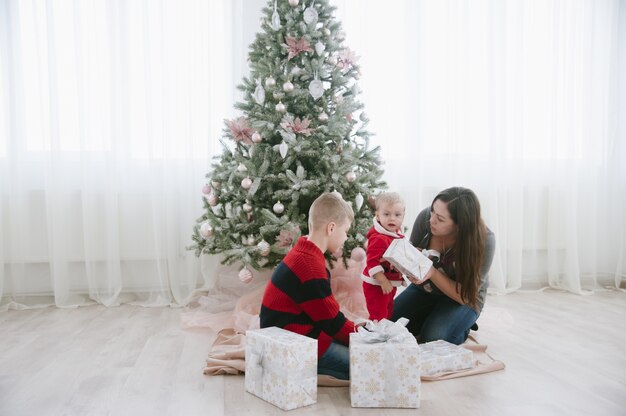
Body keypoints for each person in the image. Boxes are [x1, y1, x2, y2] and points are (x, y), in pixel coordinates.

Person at [259, 192, 357, 381]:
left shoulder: (305, 251)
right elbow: (332, 323)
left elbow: (325, 314)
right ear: (331, 228)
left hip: (294, 332)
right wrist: (366, 339)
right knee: (366, 363)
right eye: (345, 231)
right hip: (291, 343)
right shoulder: (308, 265)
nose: (346, 238)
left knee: (355, 349)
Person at [391, 187, 495, 345]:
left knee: (434, 338)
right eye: (432, 211)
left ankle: (462, 325)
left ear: (460, 225)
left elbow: (466, 296)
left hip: (462, 299)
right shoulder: (426, 219)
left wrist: (432, 271)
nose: (431, 219)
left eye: (440, 219)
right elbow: (414, 266)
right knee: (388, 324)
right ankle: (436, 317)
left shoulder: (484, 240)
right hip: (425, 290)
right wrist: (408, 263)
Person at [361, 192, 406, 321]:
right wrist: (383, 281)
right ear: (378, 216)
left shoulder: (397, 235)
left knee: (388, 310)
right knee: (379, 314)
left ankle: (384, 331)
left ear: (403, 216)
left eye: (397, 215)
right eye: (386, 214)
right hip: (377, 284)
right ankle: (377, 335)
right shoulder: (379, 238)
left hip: (389, 282)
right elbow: (372, 263)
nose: (392, 219)